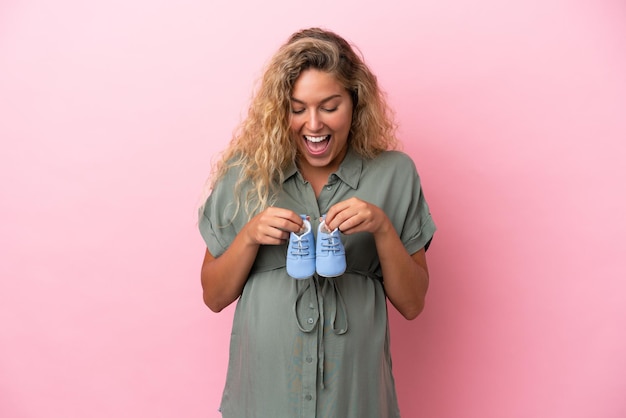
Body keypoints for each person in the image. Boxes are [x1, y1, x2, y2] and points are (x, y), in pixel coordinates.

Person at [198, 27, 436, 418]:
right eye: (297, 108)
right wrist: (250, 235)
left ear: (355, 103)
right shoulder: (245, 174)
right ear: (280, 110)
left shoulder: (395, 174)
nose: (313, 124)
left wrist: (381, 227)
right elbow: (213, 296)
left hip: (355, 398)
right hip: (264, 396)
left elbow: (412, 304)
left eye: (329, 106)